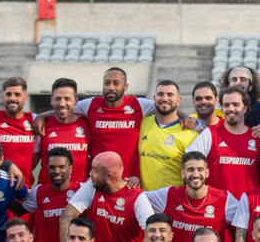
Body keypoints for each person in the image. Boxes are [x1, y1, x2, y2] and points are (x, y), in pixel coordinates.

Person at [67, 66, 196, 185]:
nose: (111, 87)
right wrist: (45, 116)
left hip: (129, 182)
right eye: (107, 83)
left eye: (116, 83)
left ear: (125, 86)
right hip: (99, 181)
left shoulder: (139, 105)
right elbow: (65, 110)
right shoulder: (90, 105)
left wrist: (185, 116)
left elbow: (164, 106)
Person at [143, 151, 242, 242]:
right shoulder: (168, 195)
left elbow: (245, 222)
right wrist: (131, 182)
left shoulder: (224, 199)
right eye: (190, 170)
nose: (196, 174)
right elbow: (138, 197)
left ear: (207, 173)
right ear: (183, 173)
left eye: (200, 169)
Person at [186, 85, 258, 206]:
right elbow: (188, 164)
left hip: (247, 209)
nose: (231, 109)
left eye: (236, 105)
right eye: (226, 105)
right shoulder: (210, 134)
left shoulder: (257, 136)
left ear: (245, 108)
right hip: (215, 209)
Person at [137, 80, 200, 191]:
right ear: (154, 98)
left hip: (171, 202)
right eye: (160, 94)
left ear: (178, 100)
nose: (164, 98)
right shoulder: (142, 123)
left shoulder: (189, 133)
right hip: (143, 199)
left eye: (170, 95)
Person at [21, 147, 82, 242]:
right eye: (52, 167)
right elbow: (19, 210)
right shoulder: (39, 192)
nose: (56, 171)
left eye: (61, 167)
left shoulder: (81, 191)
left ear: (70, 169)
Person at [39, 78, 90, 184]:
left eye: (67, 99)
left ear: (76, 101)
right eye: (58, 99)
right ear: (51, 100)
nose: (62, 103)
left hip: (79, 195)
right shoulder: (41, 126)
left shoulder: (88, 125)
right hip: (47, 196)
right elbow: (28, 163)